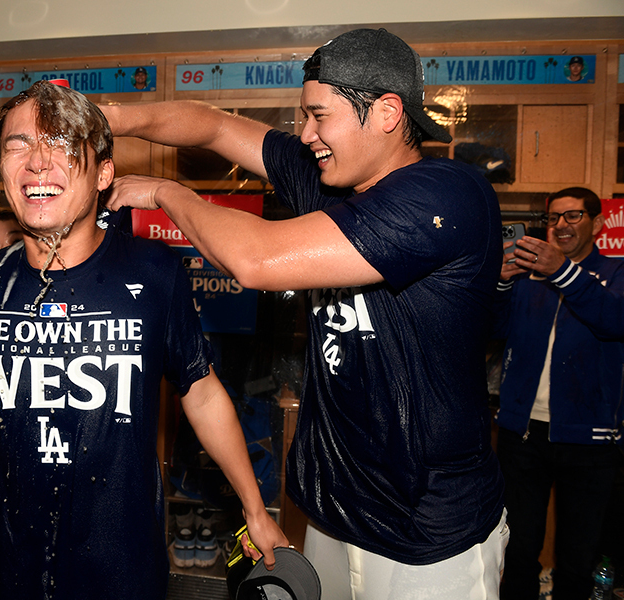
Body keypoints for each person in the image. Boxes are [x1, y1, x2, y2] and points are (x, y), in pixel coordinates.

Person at [101, 27, 507, 599]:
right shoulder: (329, 180)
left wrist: (171, 194)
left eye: (319, 116)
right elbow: (215, 125)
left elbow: (257, 260)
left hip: (429, 530)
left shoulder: (444, 195)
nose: (306, 135)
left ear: (387, 113)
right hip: (336, 514)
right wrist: (110, 116)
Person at [0, 80, 287, 599]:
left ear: (104, 172)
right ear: (1, 169)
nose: (38, 162)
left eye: (61, 144)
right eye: (19, 144)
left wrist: (251, 505)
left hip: (118, 564)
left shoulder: (154, 273)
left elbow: (200, 392)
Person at [494, 186, 624, 600]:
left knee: (576, 558)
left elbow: (613, 322)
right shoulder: (531, 276)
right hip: (522, 433)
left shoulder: (616, 273)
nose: (561, 226)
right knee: (517, 550)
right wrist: (499, 283)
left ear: (598, 223)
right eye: (553, 218)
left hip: (589, 440)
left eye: (573, 216)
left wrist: (563, 272)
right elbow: (493, 334)